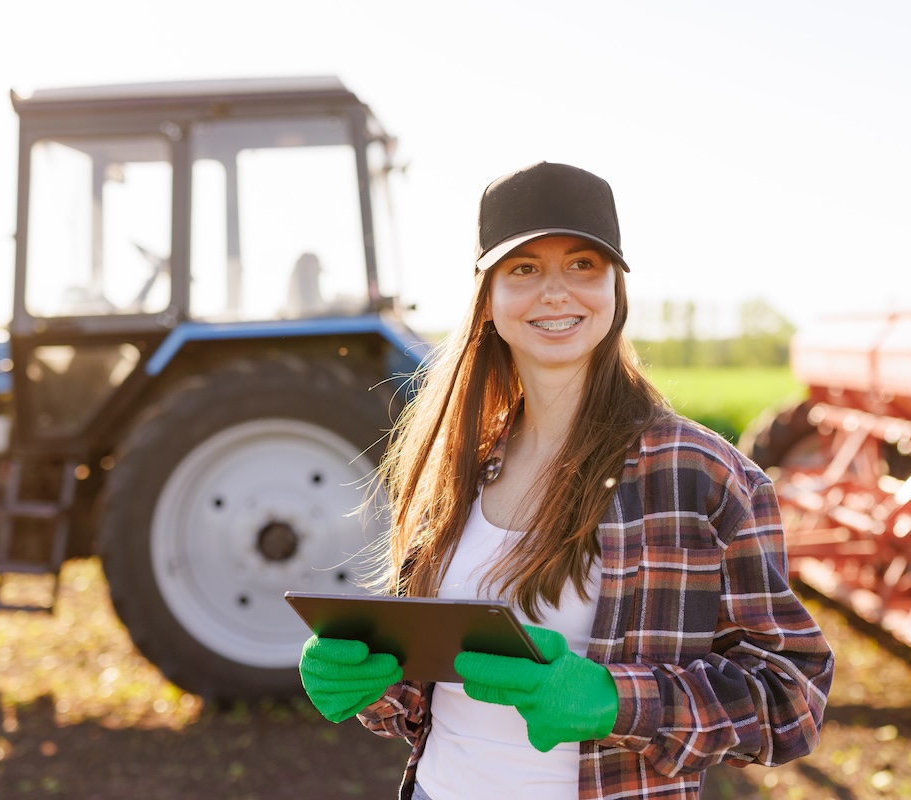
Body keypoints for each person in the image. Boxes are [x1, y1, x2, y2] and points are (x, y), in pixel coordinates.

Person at [298, 161, 834, 800]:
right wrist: (368, 679)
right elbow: (425, 687)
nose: (556, 292)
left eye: (583, 265)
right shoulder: (459, 465)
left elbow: (791, 696)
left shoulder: (701, 476)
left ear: (616, 291)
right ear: (488, 300)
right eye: (523, 269)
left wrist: (615, 701)